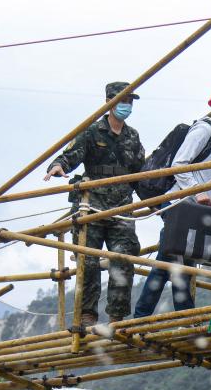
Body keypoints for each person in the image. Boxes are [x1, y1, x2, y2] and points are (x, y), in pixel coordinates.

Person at [133, 83, 211, 317]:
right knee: (178, 262)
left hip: (188, 207)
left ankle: (149, 315)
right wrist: (198, 192)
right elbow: (179, 164)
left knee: (170, 261)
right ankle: (183, 316)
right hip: (178, 204)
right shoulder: (204, 130)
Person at [45, 81, 145, 325]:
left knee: (124, 256)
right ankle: (87, 314)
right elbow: (70, 154)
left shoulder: (132, 136)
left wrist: (155, 199)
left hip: (121, 206)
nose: (127, 106)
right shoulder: (92, 132)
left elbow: (142, 172)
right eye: (123, 101)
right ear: (110, 103)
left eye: (130, 102)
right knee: (87, 260)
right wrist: (58, 166)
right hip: (93, 204)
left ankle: (117, 316)